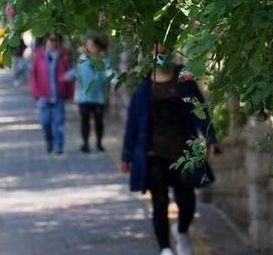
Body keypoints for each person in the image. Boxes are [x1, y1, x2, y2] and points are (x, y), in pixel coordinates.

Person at [121, 44, 219, 255]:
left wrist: (211, 139)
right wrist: (126, 155)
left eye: (164, 54)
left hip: (183, 153)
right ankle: (165, 248)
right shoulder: (143, 88)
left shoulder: (184, 82)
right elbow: (133, 124)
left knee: (187, 202)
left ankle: (181, 231)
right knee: (160, 202)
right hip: (153, 155)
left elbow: (200, 113)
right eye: (156, 54)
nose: (160, 58)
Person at [67, 36, 114, 153]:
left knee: (99, 120)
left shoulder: (103, 60)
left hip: (99, 97)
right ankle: (85, 143)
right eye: (88, 45)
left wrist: (115, 81)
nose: (90, 48)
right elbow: (75, 71)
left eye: (92, 45)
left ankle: (99, 143)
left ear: (97, 47)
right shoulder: (82, 59)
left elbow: (110, 74)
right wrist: (66, 76)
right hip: (84, 96)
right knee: (85, 120)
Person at [28, 34, 73, 154]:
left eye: (55, 40)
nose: (53, 43)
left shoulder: (63, 55)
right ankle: (49, 140)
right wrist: (35, 91)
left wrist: (69, 92)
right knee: (45, 122)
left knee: (59, 122)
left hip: (59, 94)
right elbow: (33, 75)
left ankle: (58, 146)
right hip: (43, 94)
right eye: (51, 40)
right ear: (45, 41)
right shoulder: (39, 55)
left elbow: (70, 73)